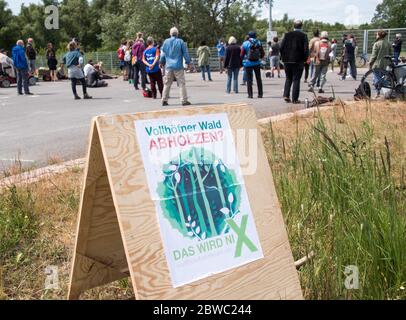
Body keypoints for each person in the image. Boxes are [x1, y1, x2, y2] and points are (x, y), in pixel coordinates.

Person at [160, 27, 191, 106]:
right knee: (181, 84)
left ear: (170, 34)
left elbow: (163, 53)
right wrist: (188, 62)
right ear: (177, 34)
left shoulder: (166, 42)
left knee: (167, 84)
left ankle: (164, 100)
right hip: (178, 66)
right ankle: (184, 100)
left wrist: (161, 62)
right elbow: (185, 53)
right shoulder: (180, 42)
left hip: (168, 66)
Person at [280, 20, 309, 104]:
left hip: (287, 60)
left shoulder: (287, 35)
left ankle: (286, 95)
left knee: (288, 78)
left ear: (294, 26)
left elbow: (281, 47)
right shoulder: (303, 36)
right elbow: (306, 49)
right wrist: (304, 59)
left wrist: (283, 57)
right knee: (296, 79)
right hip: (298, 61)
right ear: (301, 26)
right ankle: (295, 99)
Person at [240, 31, 264, 99]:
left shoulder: (245, 43)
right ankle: (260, 94)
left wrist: (242, 62)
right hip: (257, 63)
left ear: (249, 36)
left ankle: (250, 95)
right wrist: (260, 57)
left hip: (248, 63)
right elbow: (262, 53)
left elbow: (241, 54)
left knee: (249, 79)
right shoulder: (259, 42)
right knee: (258, 78)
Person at [369, 30, 392, 98]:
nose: (376, 36)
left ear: (379, 36)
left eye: (376, 35)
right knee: (381, 77)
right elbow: (391, 53)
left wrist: (370, 63)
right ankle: (382, 91)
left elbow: (374, 56)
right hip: (386, 64)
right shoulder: (388, 43)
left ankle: (378, 93)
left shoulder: (377, 44)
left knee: (376, 78)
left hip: (377, 64)